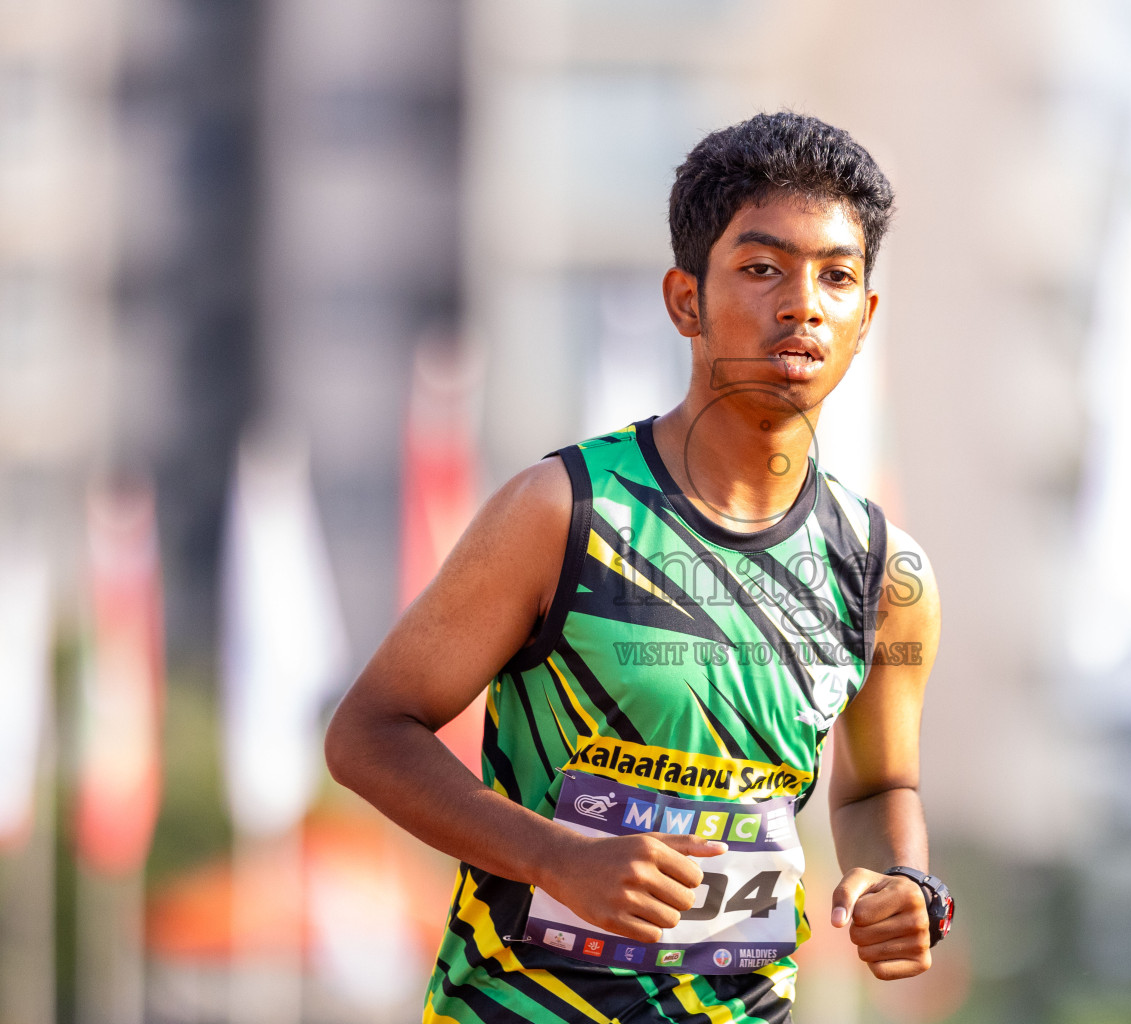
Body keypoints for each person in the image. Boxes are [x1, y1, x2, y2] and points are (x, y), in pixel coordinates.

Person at [326, 110, 954, 1024]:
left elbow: (878, 784)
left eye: (837, 276)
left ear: (865, 316)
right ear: (684, 300)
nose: (803, 304)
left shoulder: (882, 572)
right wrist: (555, 857)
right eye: (762, 267)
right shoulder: (564, 512)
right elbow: (369, 734)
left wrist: (901, 879)